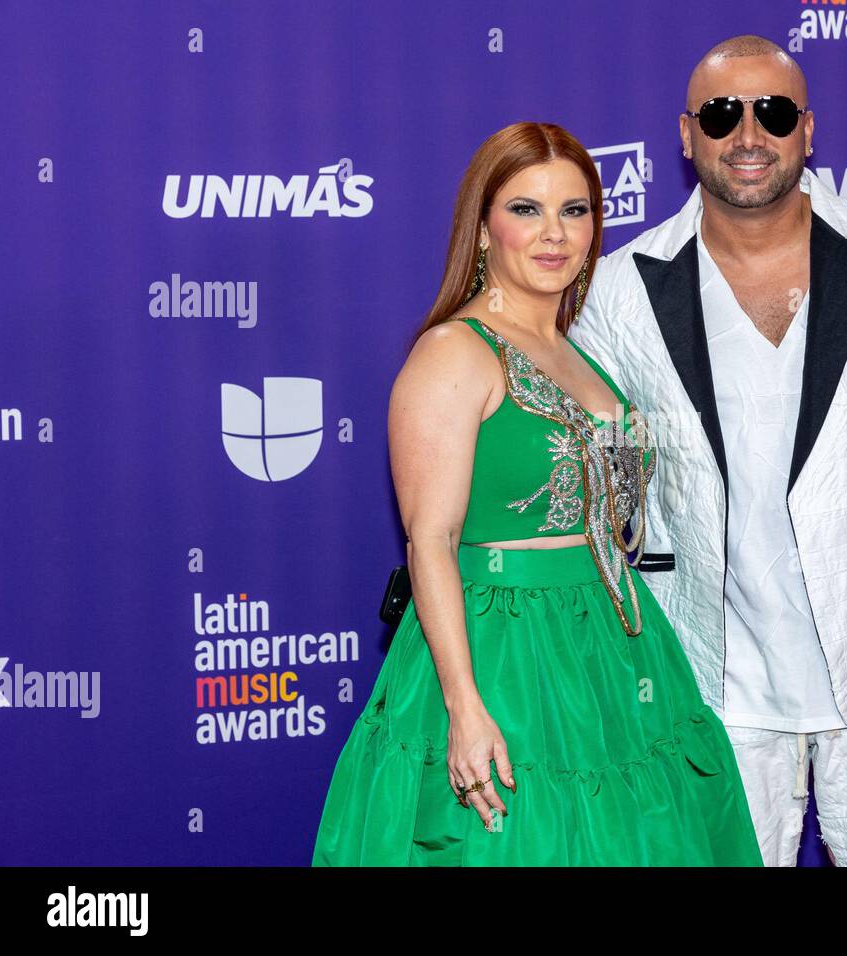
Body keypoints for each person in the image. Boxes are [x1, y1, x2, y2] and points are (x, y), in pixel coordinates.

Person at [568, 35, 847, 866]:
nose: (748, 134)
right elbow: (594, 481)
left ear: (808, 130)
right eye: (722, 114)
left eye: (772, 111)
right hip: (707, 680)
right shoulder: (624, 287)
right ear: (686, 134)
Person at [311, 122, 764, 866]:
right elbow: (430, 541)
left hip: (617, 648)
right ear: (483, 229)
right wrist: (464, 705)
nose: (554, 234)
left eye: (575, 211)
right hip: (504, 651)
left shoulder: (578, 351)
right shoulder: (453, 352)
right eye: (526, 210)